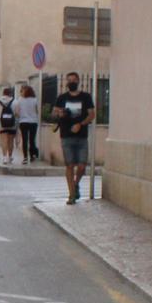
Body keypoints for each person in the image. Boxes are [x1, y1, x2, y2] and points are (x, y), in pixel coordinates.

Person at [54, 71, 97, 205]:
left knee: (82, 166)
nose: (71, 82)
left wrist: (81, 124)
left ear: (78, 81)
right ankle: (71, 195)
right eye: (69, 80)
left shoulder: (86, 97)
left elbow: (92, 114)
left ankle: (76, 183)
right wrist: (59, 114)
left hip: (82, 136)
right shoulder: (62, 98)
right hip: (66, 136)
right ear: (67, 83)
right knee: (69, 165)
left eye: (74, 80)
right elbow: (53, 114)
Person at [13, 84, 42, 164]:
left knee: (25, 140)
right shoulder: (35, 100)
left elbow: (17, 112)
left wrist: (19, 115)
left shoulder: (20, 100)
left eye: (22, 91)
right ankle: (32, 156)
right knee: (32, 140)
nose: (21, 92)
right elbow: (37, 111)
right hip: (33, 122)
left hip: (23, 122)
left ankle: (25, 157)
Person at [0, 88, 18, 165]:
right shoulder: (15, 102)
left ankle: (4, 157)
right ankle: (10, 157)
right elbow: (17, 114)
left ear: (3, 93)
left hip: (2, 125)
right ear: (11, 93)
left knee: (4, 141)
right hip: (12, 125)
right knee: (11, 141)